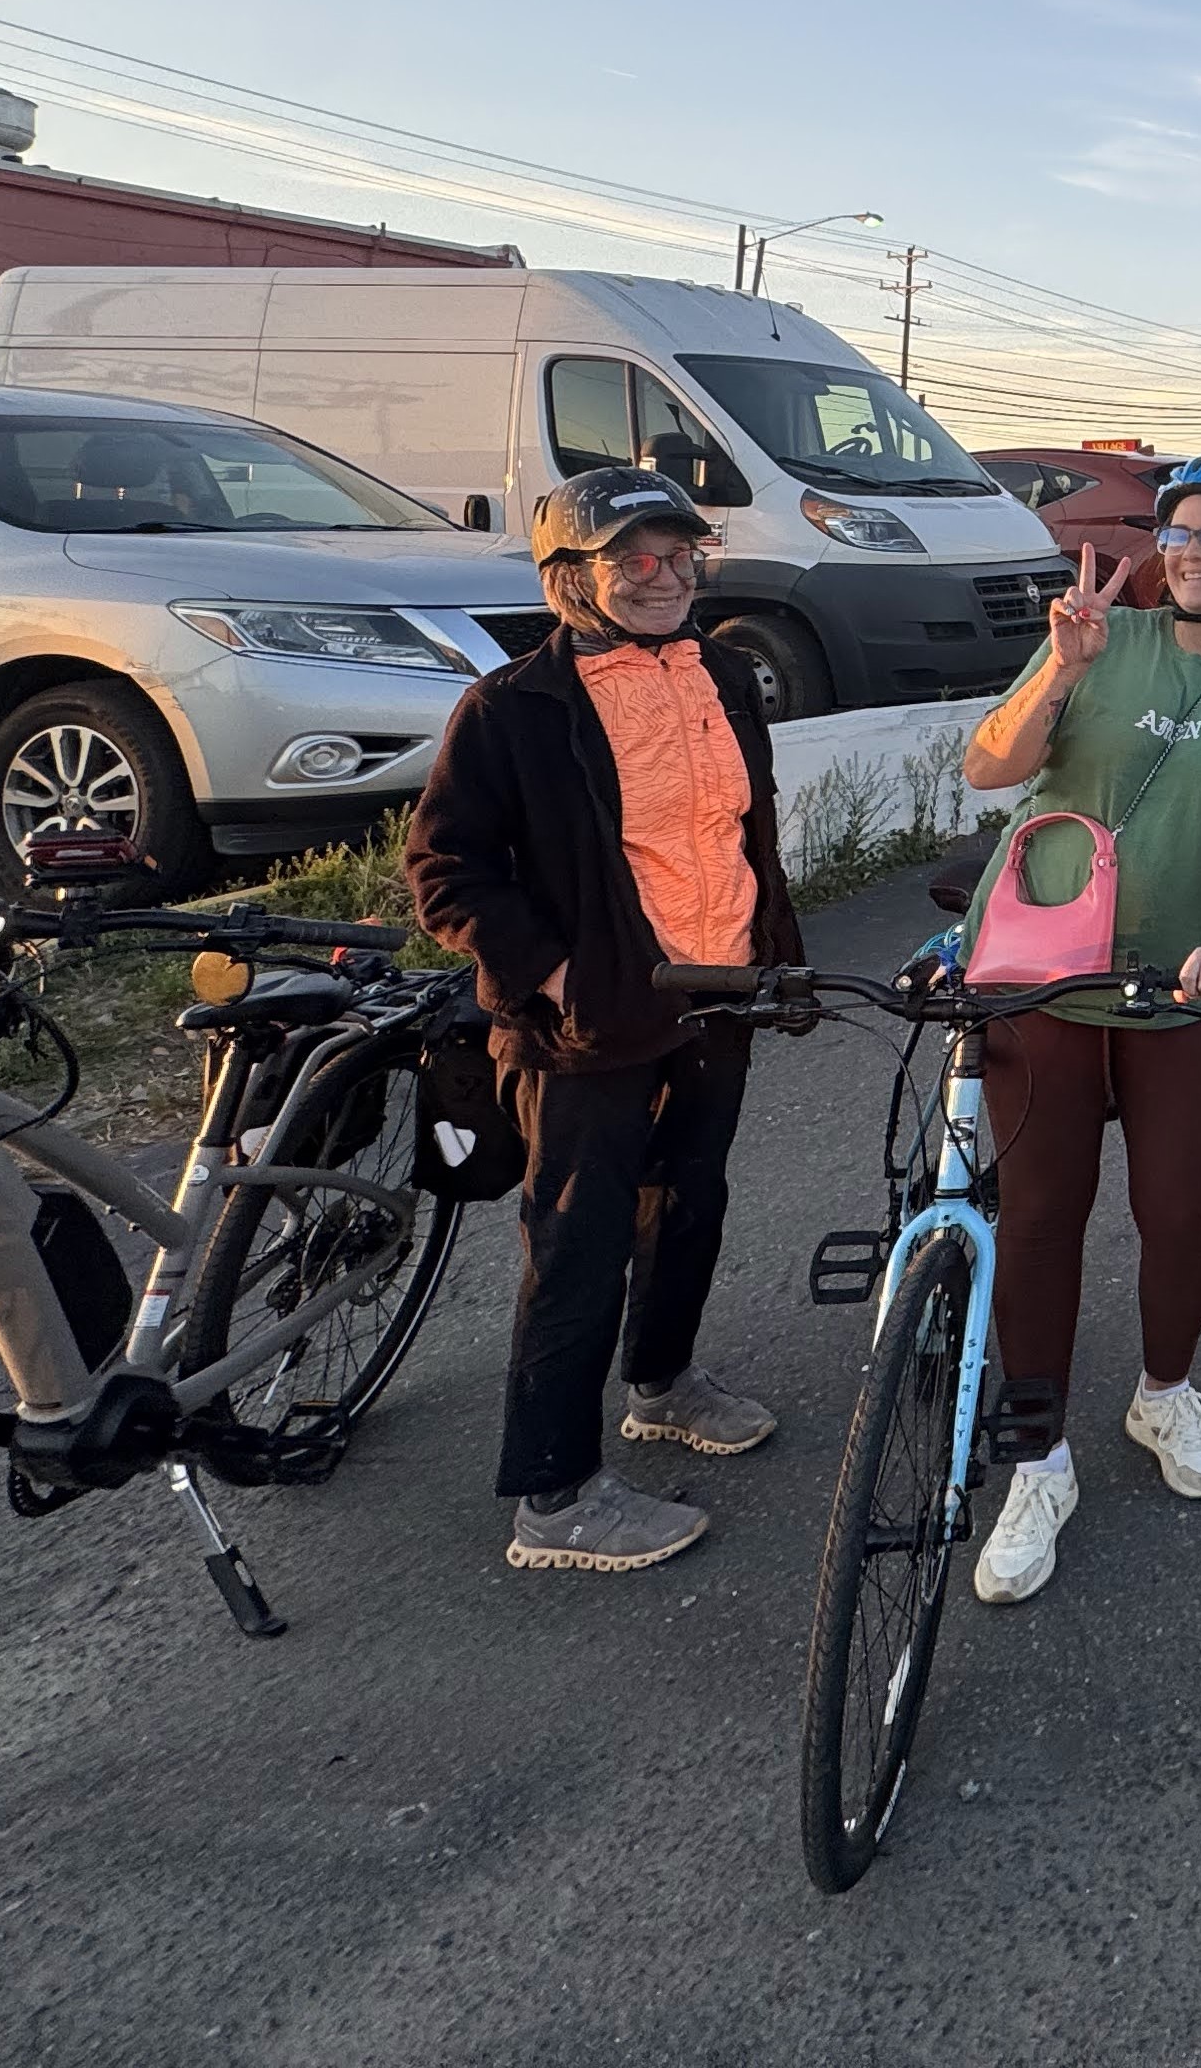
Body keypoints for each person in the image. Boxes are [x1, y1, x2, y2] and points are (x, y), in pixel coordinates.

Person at [407, 467, 801, 1575]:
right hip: (586, 1017)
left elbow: (739, 828)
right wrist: (560, 968)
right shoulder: (512, 707)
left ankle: (664, 1383)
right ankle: (553, 1495)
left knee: (688, 1201)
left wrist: (769, 948)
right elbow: (446, 869)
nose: (668, 577)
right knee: (577, 1244)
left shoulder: (719, 669)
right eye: (637, 559)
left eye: (683, 556)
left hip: (716, 989)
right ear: (569, 576)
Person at [953, 454, 1201, 1604]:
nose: (1190, 549)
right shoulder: (1100, 638)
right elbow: (989, 767)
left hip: (1179, 986)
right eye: (1176, 532)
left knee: (1179, 1215)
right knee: (1037, 1219)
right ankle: (1039, 1458)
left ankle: (1163, 1391)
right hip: (1040, 976)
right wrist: (1059, 672)